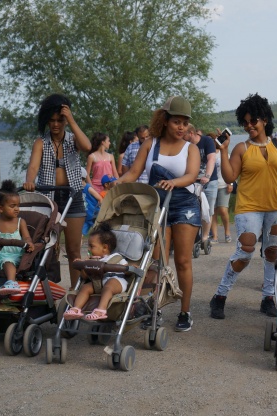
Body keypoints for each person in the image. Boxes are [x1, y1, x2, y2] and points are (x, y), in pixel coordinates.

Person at [112, 96, 199, 332]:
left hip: (184, 205)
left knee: (182, 261)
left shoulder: (190, 148)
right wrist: (118, 182)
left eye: (185, 123)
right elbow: (134, 172)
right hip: (158, 205)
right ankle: (155, 308)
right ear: (165, 120)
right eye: (176, 122)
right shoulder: (150, 144)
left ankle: (185, 311)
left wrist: (174, 182)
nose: (181, 127)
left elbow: (192, 175)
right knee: (157, 261)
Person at [209, 93, 277, 319]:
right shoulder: (241, 148)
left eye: (253, 120)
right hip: (249, 207)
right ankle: (220, 295)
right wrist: (223, 150)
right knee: (245, 252)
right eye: (244, 122)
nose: (249, 126)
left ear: (264, 119)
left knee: (272, 252)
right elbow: (229, 177)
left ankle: (268, 298)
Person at [23, 93, 91, 289]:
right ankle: (48, 290)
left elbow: (87, 146)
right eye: (51, 120)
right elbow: (33, 166)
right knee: (47, 247)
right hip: (49, 198)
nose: (55, 125)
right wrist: (29, 181)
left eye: (60, 120)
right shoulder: (41, 142)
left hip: (72, 197)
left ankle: (75, 291)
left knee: (73, 249)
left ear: (65, 121)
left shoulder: (72, 140)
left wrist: (71, 119)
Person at [63, 222, 129, 321]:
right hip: (98, 283)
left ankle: (101, 310)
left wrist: (129, 268)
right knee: (85, 287)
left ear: (105, 247)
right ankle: (76, 309)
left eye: (91, 246)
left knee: (109, 286)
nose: (88, 249)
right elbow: (85, 277)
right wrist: (82, 266)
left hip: (116, 281)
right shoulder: (91, 260)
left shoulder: (116, 257)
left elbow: (126, 268)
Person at [186, 124, 218, 247]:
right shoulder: (185, 145)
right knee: (193, 208)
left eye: (184, 135)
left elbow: (211, 159)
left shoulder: (207, 141)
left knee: (208, 209)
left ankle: (205, 237)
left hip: (209, 180)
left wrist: (207, 176)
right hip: (193, 181)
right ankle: (194, 235)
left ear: (191, 133)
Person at [211, 135, 234, 243]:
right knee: (212, 212)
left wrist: (231, 183)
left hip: (223, 185)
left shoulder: (223, 153)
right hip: (211, 185)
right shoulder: (208, 154)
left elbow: (230, 168)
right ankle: (215, 236)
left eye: (213, 140)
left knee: (223, 210)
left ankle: (227, 232)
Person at [81, 168, 103, 236]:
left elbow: (100, 199)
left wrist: (100, 211)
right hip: (86, 217)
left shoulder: (88, 188)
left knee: (99, 234)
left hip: (94, 216)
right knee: (80, 234)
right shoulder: (78, 189)